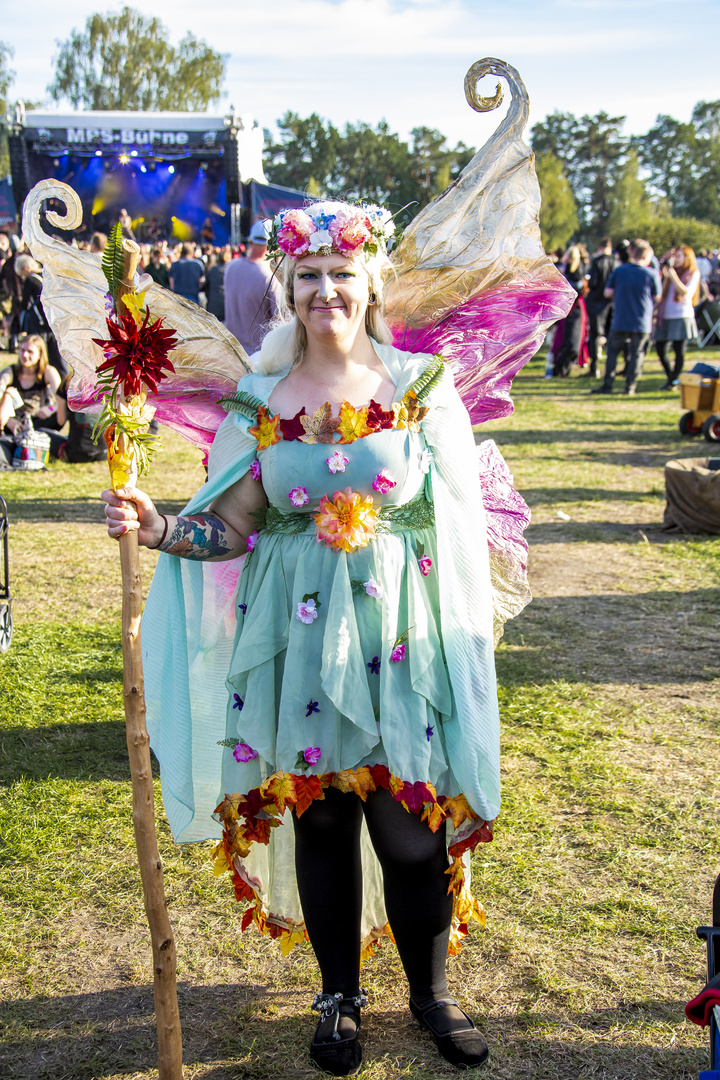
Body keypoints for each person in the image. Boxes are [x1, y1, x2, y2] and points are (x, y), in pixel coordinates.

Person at [103, 199, 501, 1075]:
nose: (327, 291)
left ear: (371, 283)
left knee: (409, 831)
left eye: (342, 274)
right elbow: (233, 522)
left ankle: (432, 993)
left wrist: (465, 641)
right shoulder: (260, 399)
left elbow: (459, 527)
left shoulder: (420, 387)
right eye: (309, 277)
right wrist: (163, 526)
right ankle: (338, 998)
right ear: (290, 288)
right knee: (321, 826)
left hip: (401, 644)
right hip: (299, 645)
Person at [592, 238, 660, 396]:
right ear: (645, 257)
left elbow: (607, 292)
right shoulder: (651, 274)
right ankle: (630, 386)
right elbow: (657, 297)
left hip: (621, 318)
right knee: (636, 353)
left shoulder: (620, 271)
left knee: (613, 352)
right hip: (642, 320)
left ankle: (607, 385)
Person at [0, 334, 63, 463]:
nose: (24, 355)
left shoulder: (48, 371)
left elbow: (62, 400)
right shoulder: (10, 372)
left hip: (37, 421)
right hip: (14, 423)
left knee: (59, 415)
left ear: (40, 354)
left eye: (30, 352)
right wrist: (8, 421)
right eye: (22, 350)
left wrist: (50, 409)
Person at [224, 219, 282, 354]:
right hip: (259, 355)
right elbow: (280, 322)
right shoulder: (270, 276)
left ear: (250, 242)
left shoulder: (231, 267)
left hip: (232, 352)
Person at [654, 245, 700, 389]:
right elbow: (662, 295)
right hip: (666, 316)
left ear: (687, 258)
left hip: (682, 316)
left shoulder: (692, 273)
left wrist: (672, 275)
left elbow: (685, 292)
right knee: (660, 348)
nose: (676, 260)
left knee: (678, 350)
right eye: (675, 256)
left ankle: (672, 381)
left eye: (680, 256)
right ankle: (671, 377)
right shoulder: (670, 273)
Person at [585, 238, 617, 377]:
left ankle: (594, 367)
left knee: (594, 335)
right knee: (611, 335)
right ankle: (611, 368)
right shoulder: (617, 263)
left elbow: (592, 282)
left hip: (596, 302)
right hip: (612, 303)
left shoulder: (597, 262)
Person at [204, 248, 229, 320]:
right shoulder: (229, 270)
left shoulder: (212, 270)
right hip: (226, 307)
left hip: (213, 306)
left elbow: (206, 286)